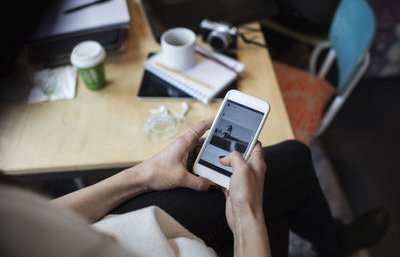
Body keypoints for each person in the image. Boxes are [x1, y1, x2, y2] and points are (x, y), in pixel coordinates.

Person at [0, 119, 389, 257]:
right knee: (273, 200)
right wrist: (246, 216)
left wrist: (144, 173)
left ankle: (330, 241)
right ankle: (334, 244)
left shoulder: (15, 226)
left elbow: (46, 221)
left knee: (291, 163)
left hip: (140, 231)